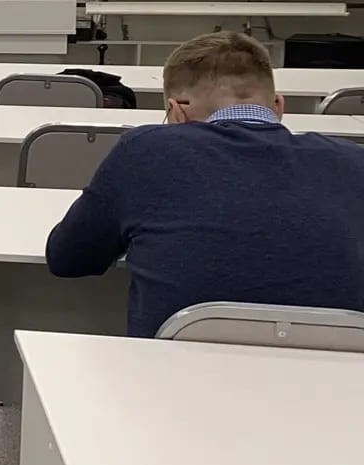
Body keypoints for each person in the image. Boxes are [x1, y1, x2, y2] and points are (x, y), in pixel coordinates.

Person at [46, 32, 364, 337]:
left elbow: (68, 258)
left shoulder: (145, 150)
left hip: (170, 371)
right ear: (278, 106)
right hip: (337, 372)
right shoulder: (353, 161)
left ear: (177, 111)